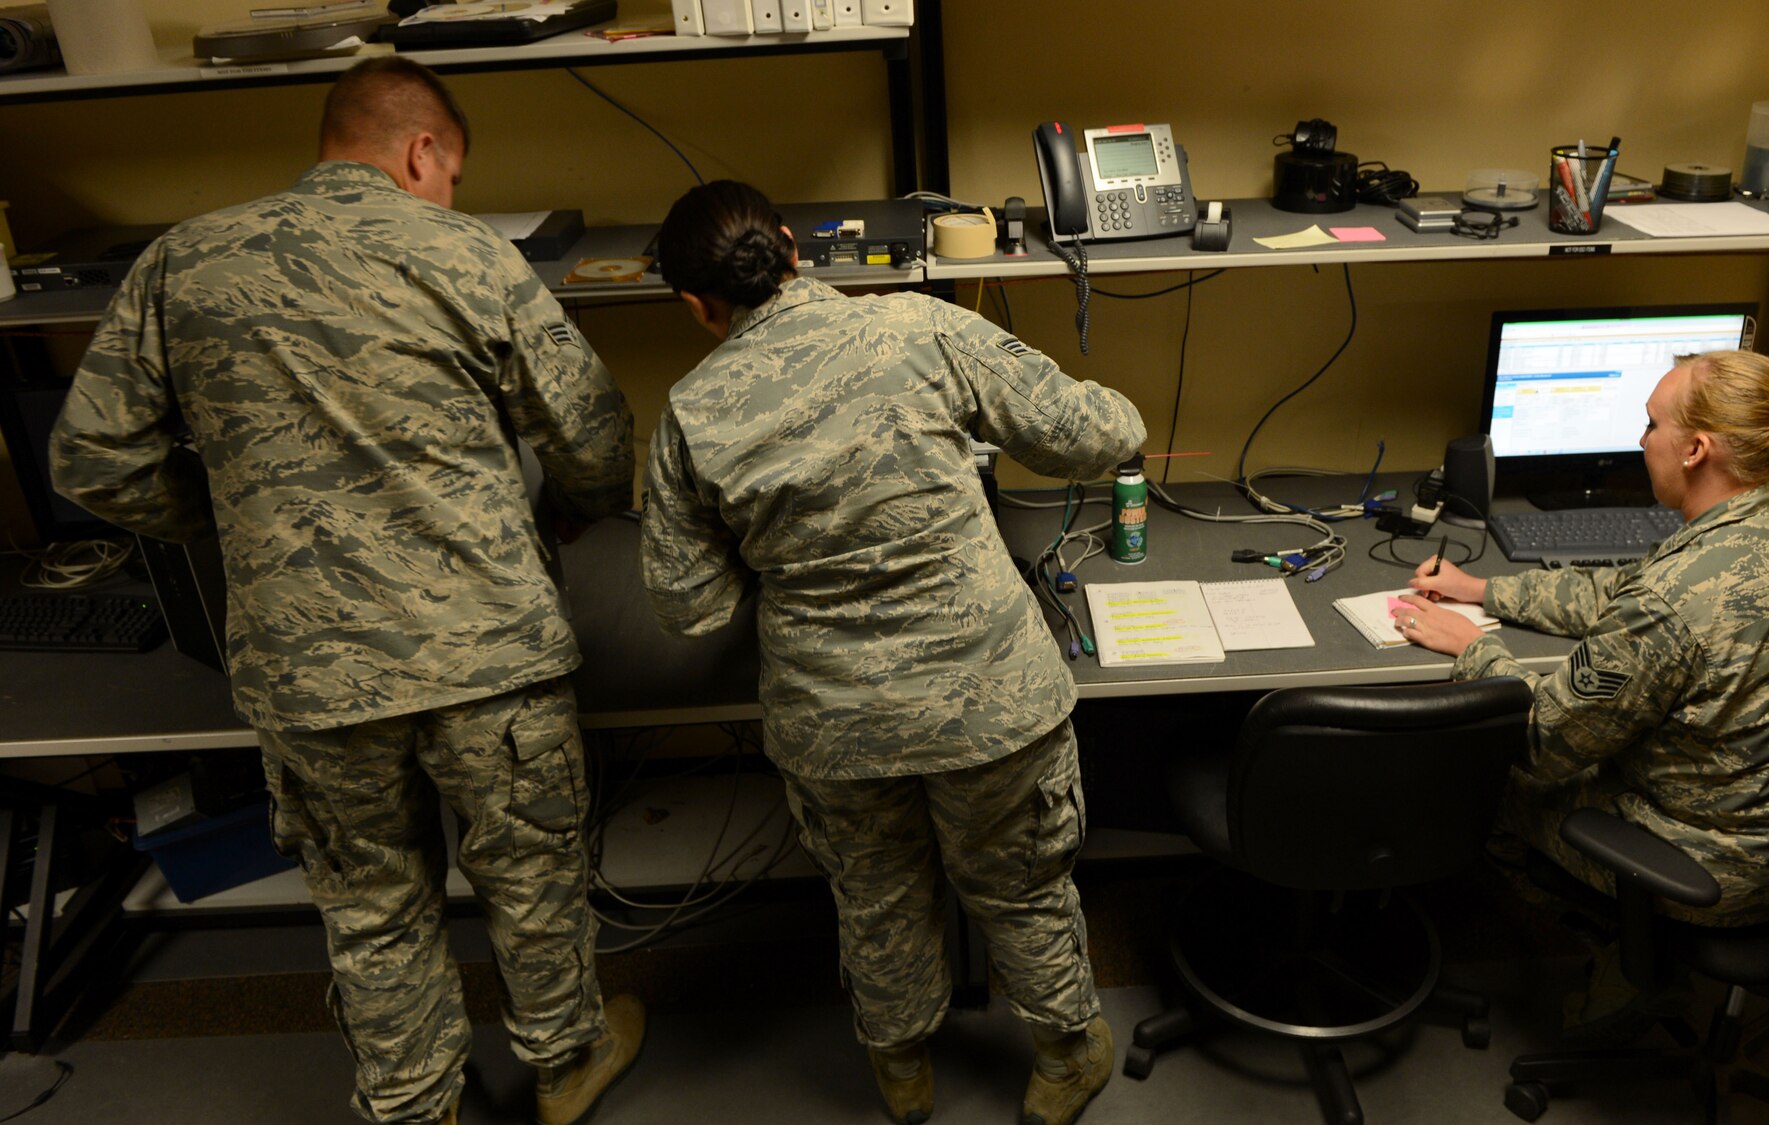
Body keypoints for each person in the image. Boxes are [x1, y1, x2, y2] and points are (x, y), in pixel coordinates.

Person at [49, 57, 641, 1125]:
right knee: (531, 872)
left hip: (311, 670)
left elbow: (91, 461)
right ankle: (566, 1062)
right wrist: (571, 508)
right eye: (451, 174)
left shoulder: (184, 263)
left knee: (369, 899)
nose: (450, 194)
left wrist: (235, 507)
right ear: (422, 152)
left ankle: (414, 1102)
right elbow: (595, 440)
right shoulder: (469, 255)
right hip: (485, 655)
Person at [640, 180, 1145, 1125]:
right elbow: (1101, 436)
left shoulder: (689, 416)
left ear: (694, 304)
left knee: (876, 897)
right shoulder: (919, 328)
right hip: (989, 697)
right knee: (1021, 883)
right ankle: (1068, 1053)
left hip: (838, 723)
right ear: (793, 246)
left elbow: (689, 606)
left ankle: (904, 1076)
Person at [1393, 350, 1769, 928]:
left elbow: (1540, 742)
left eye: (1652, 424)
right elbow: (1628, 591)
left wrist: (1473, 648)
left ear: (1695, 450)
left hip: (1719, 868)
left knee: (1476, 769)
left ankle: (1521, 947)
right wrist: (1485, 590)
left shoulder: (1668, 604)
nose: (1642, 440)